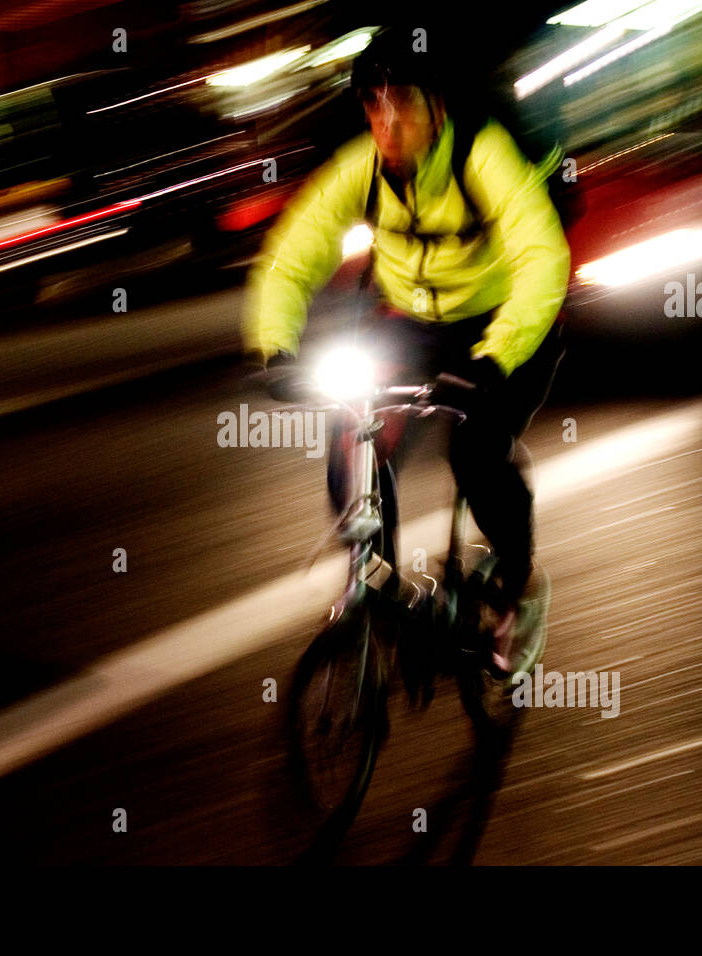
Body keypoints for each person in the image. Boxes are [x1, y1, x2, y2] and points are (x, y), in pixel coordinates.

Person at [241, 27, 570, 677]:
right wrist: (275, 347)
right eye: (373, 103)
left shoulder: (483, 155)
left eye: (405, 102)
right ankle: (383, 591)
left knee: (476, 452)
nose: (388, 121)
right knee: (351, 440)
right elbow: (291, 257)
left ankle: (515, 584)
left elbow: (542, 259)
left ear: (438, 106)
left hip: (507, 326)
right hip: (416, 323)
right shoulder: (359, 169)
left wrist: (494, 357)